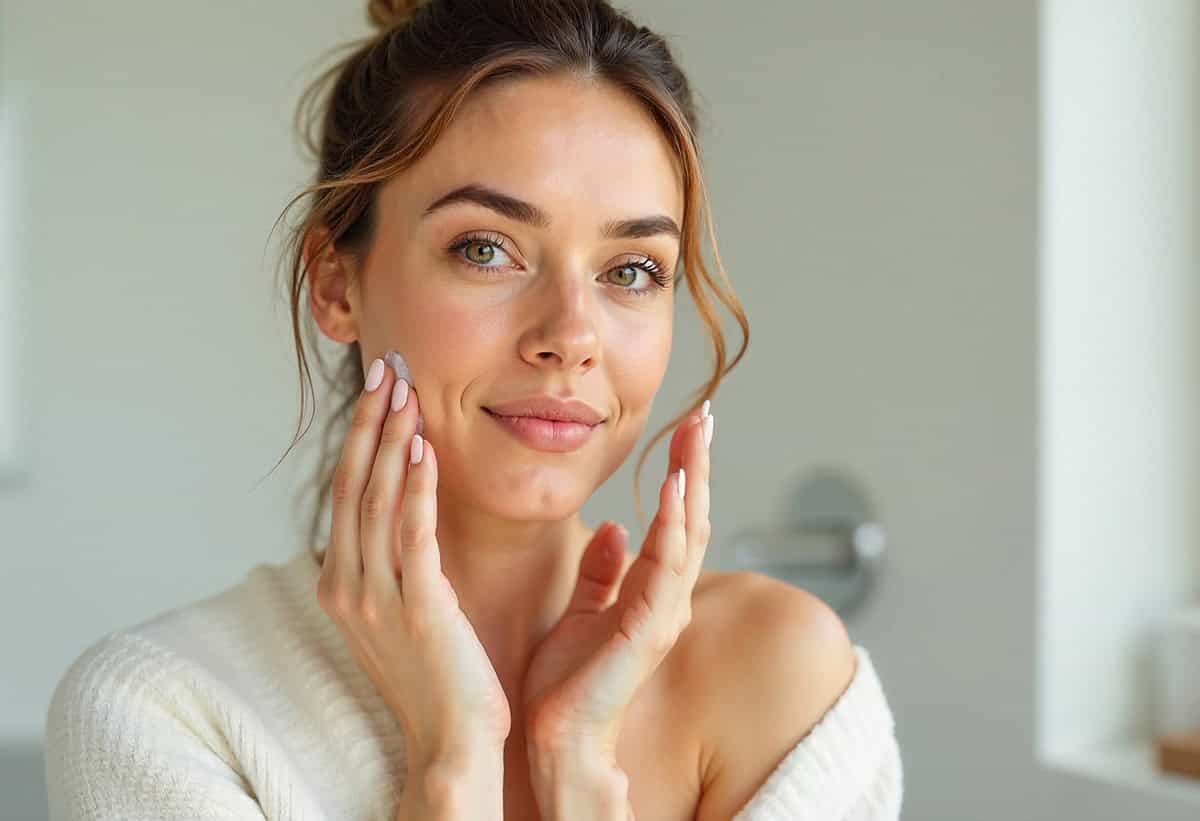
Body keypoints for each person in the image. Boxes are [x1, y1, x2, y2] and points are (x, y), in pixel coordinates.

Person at [43, 0, 903, 818]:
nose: (571, 334)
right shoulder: (166, 714)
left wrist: (576, 763)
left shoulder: (778, 675)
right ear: (336, 282)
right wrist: (451, 758)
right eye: (486, 249)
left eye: (631, 270)